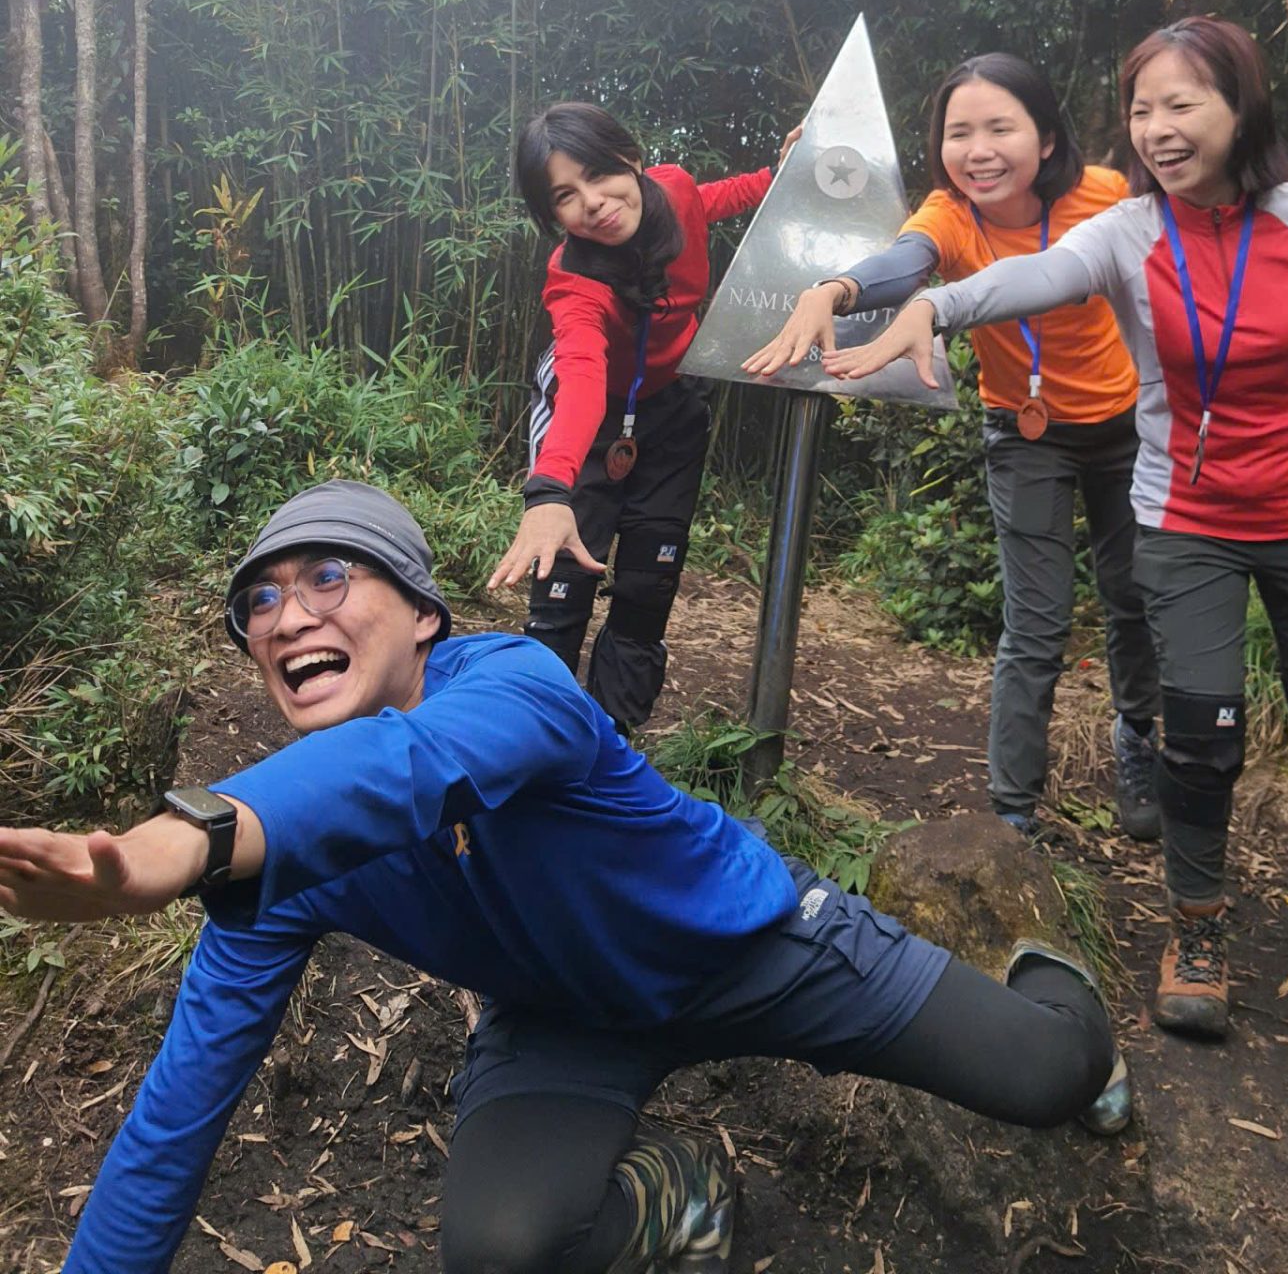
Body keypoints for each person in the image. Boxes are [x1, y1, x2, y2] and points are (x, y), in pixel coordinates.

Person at [0, 480, 1130, 1274]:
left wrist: (179, 842)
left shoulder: (514, 683)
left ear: (424, 613)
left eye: (331, 577)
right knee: (500, 1251)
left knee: (1051, 1074)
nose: (290, 614)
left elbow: (413, 767)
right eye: (260, 600)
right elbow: (175, 1118)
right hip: (561, 1025)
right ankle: (678, 1191)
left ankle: (1043, 972)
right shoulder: (281, 845)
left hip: (762, 950)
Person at [825, 18, 1288, 1039]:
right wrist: (933, 308)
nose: (1161, 128)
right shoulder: (1127, 227)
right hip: (1161, 495)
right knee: (1192, 716)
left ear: (1241, 108)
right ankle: (1186, 911)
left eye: (1184, 104)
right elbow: (1021, 275)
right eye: (1144, 108)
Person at [742, 54, 1161, 841]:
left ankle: (1138, 737)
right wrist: (834, 290)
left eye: (1000, 128)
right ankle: (1011, 817)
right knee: (1035, 624)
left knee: (1133, 598)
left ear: (1045, 135)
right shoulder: (951, 213)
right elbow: (905, 262)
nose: (979, 150)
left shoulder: (1107, 196)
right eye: (958, 132)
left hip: (1128, 428)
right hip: (1025, 433)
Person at [488, 103, 798, 731]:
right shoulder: (573, 277)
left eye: (601, 175)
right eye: (566, 197)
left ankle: (614, 744)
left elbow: (718, 197)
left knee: (647, 587)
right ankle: (535, 741)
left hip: (675, 407)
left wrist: (782, 176)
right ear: (552, 218)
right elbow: (580, 379)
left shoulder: (674, 189)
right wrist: (549, 492)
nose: (594, 202)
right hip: (589, 420)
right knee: (566, 579)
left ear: (631, 159)